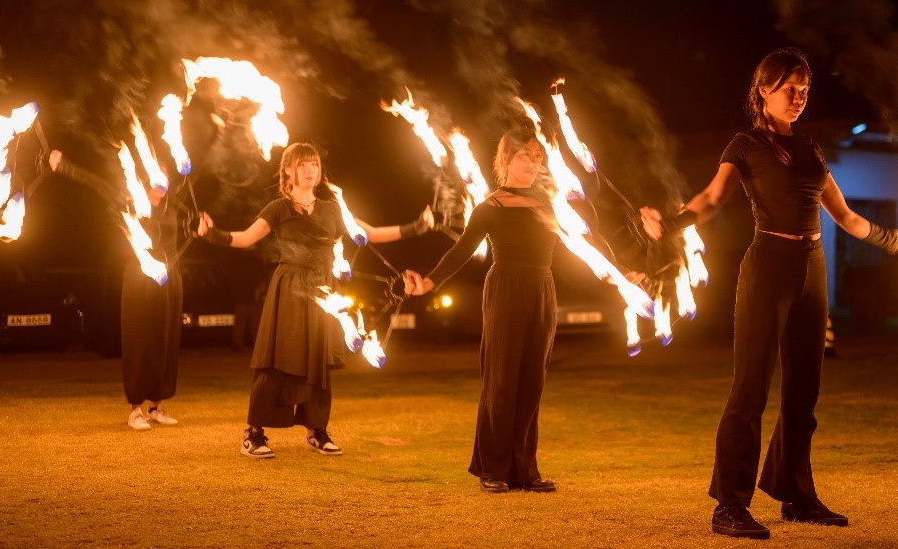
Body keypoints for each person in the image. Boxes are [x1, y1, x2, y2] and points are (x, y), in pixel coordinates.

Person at [640, 46, 898, 539]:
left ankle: (796, 495)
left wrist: (894, 243)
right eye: (790, 89)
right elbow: (710, 199)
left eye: (805, 90)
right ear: (764, 90)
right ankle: (730, 506)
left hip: (812, 269)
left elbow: (847, 217)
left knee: (803, 392)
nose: (799, 98)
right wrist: (675, 222)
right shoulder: (745, 145)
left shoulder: (811, 149)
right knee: (750, 389)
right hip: (767, 265)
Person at [196, 141, 433, 459]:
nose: (310, 170)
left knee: (319, 358)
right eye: (303, 164)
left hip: (327, 288)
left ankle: (316, 430)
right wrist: (212, 234)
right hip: (291, 287)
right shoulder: (278, 208)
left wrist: (416, 227)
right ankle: (254, 433)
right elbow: (246, 238)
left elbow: (372, 233)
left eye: (315, 165)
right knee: (278, 359)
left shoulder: (333, 209)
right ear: (289, 172)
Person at [403, 123, 560, 494]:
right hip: (506, 286)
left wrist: (622, 269)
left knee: (532, 382)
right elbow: (461, 250)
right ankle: (493, 468)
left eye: (538, 156)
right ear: (506, 159)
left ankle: (525, 469)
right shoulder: (490, 205)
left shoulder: (550, 202)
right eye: (525, 155)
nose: (533, 162)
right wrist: (428, 282)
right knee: (502, 380)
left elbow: (589, 234)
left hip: (543, 287)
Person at [49, 147, 185, 432]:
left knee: (165, 341)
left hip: (170, 279)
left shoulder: (173, 207)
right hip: (139, 276)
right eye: (153, 174)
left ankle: (156, 405)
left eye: (163, 174)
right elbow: (96, 183)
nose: (159, 181)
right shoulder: (129, 200)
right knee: (140, 339)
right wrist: (64, 166)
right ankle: (135, 409)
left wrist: (203, 225)